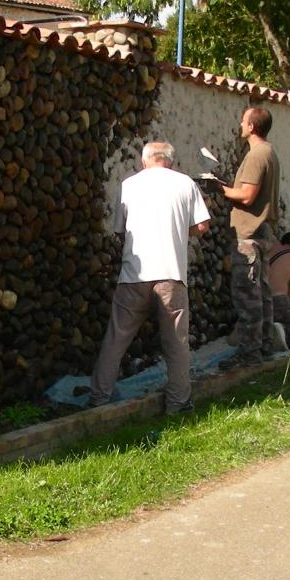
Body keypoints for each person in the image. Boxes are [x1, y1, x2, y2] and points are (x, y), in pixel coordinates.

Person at [90, 141, 211, 414]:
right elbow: (202, 226)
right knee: (176, 343)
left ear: (145, 161)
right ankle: (178, 404)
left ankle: (98, 399)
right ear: (170, 160)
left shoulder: (129, 185)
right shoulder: (185, 183)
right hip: (171, 274)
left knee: (116, 338)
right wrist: (179, 231)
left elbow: (120, 230)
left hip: (134, 274)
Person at [218, 107, 280, 369]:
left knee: (247, 295)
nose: (240, 124)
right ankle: (264, 345)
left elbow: (247, 195)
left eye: (243, 121)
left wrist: (218, 187)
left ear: (252, 127)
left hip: (249, 234)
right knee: (262, 293)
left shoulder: (257, 155)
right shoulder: (270, 152)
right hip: (262, 230)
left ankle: (249, 353)